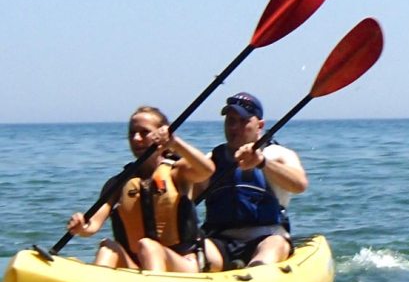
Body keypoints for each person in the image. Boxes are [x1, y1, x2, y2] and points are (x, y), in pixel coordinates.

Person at [67, 106, 222, 272]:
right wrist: (82, 227)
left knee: (148, 246)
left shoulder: (177, 171)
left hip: (182, 264)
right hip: (138, 265)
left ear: (161, 135)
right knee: (107, 247)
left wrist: (175, 142)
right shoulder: (118, 183)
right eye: (132, 133)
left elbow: (207, 170)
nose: (136, 138)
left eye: (144, 132)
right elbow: (93, 225)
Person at [195, 92, 308, 269]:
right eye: (230, 121)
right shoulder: (210, 160)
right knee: (201, 256)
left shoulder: (278, 154)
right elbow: (188, 197)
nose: (235, 127)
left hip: (267, 238)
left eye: (243, 121)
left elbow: (299, 184)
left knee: (270, 250)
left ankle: (257, 274)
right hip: (220, 240)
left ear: (259, 126)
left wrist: (262, 163)